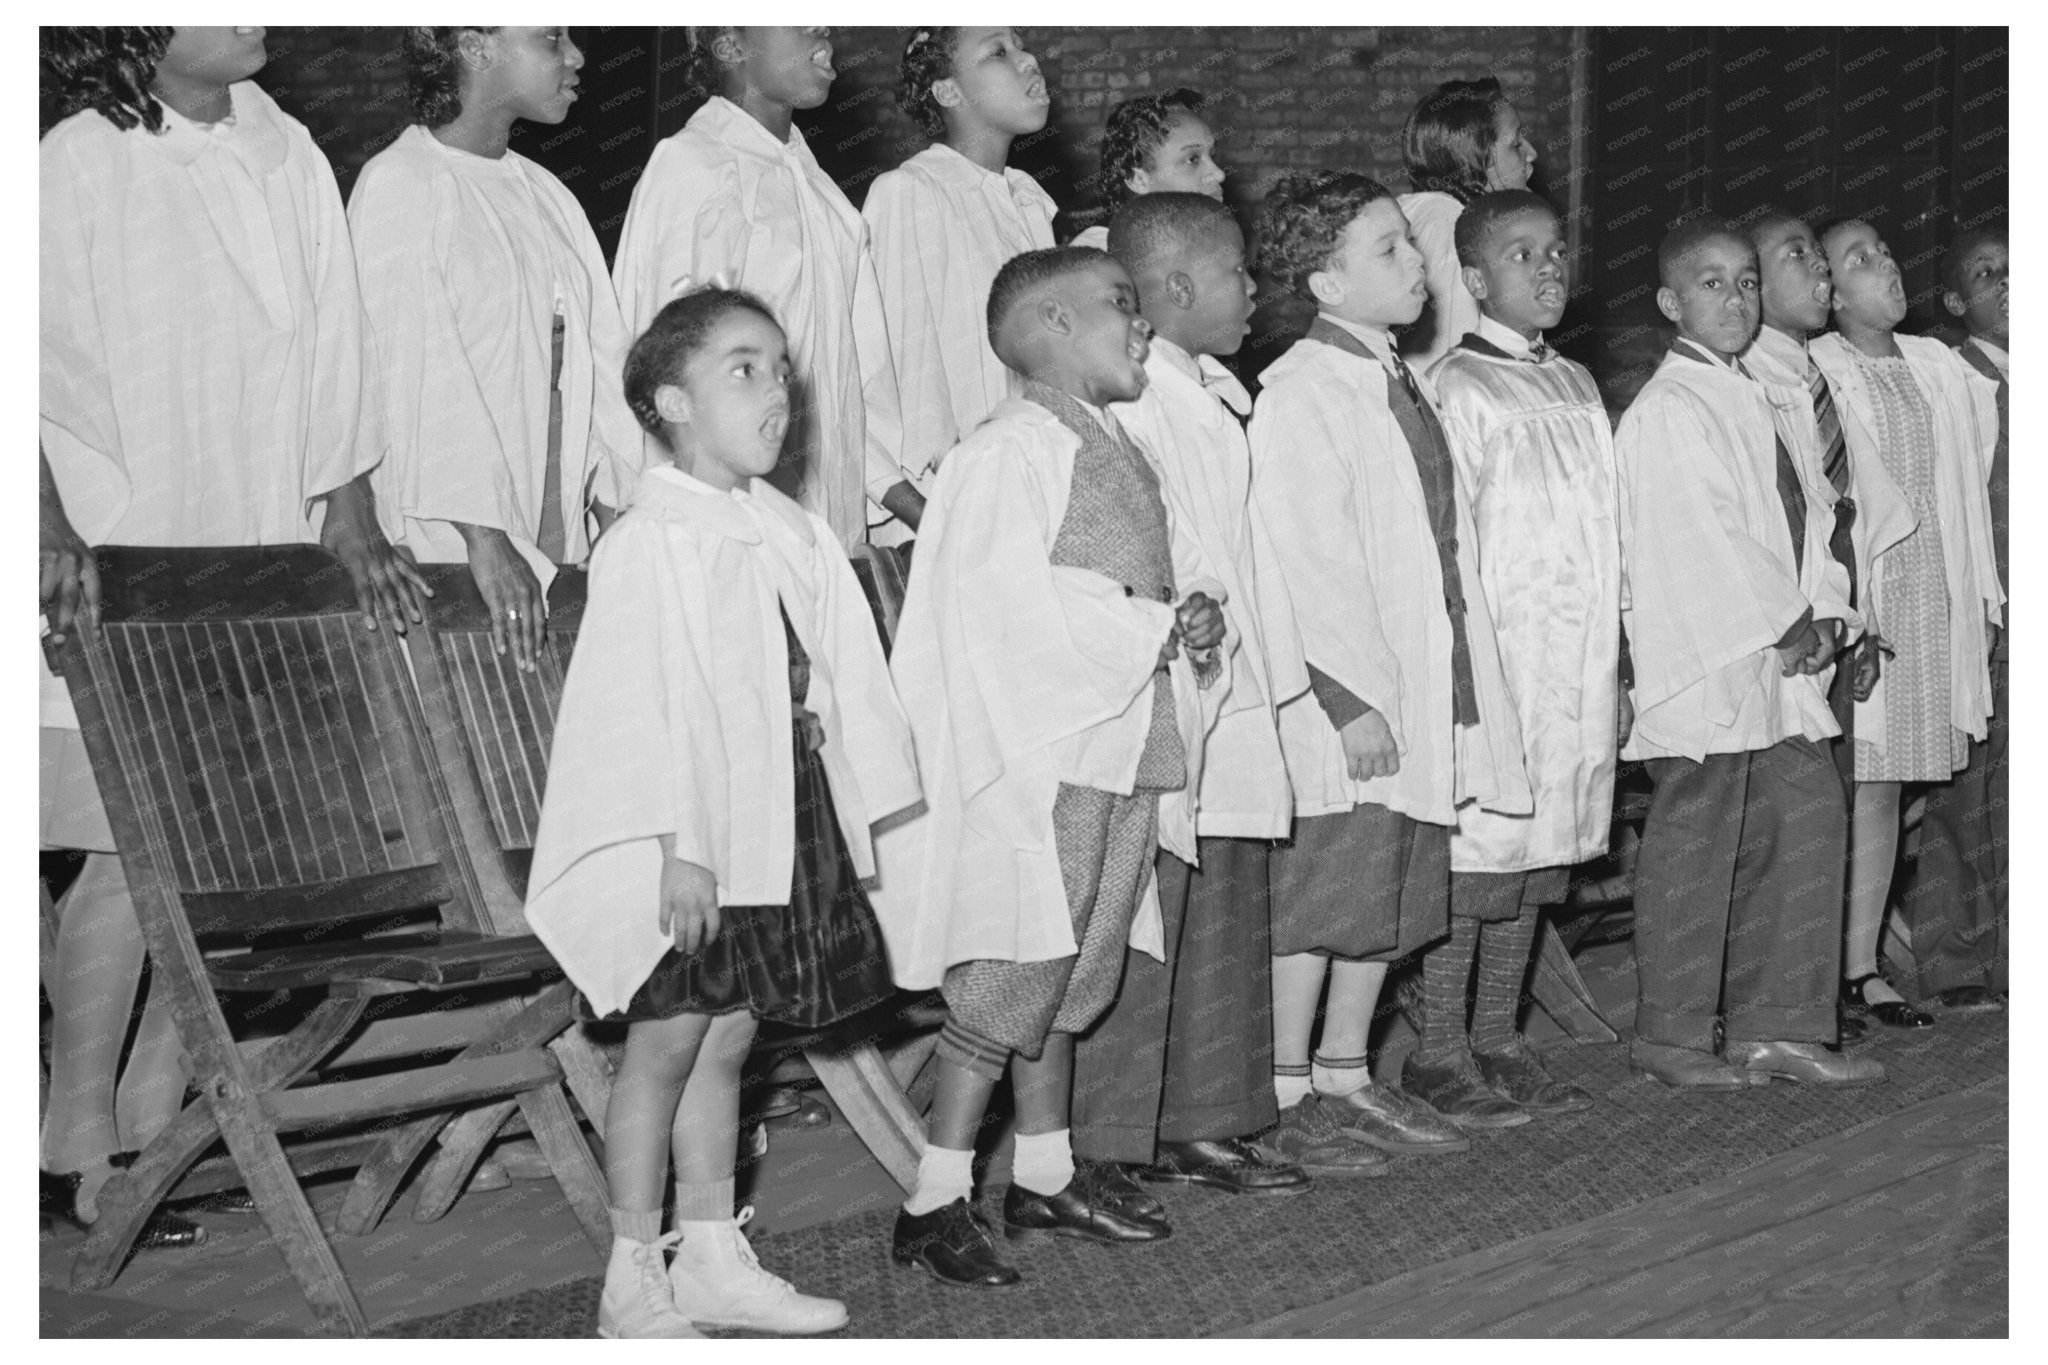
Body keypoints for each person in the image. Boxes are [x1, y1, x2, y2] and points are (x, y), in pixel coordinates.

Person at [39, 25, 424, 1248]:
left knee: (216, 842)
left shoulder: (289, 148)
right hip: (115, 545)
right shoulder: (74, 160)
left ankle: (159, 1124)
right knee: (120, 845)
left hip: (251, 539)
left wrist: (349, 509)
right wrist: (44, 522)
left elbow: (336, 348)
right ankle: (64, 1141)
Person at [523, 287, 920, 1338]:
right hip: (683, 837)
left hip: (773, 817)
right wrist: (676, 850)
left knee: (730, 1038)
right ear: (670, 403)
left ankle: (708, 1253)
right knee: (664, 1042)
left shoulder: (778, 527)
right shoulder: (654, 538)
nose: (775, 390)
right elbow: (630, 709)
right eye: (742, 368)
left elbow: (822, 672)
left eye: (781, 368)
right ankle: (628, 1276)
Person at [873, 247, 1228, 1286]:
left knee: (1078, 964)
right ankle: (931, 1197)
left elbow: (1143, 579)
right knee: (1016, 971)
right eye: (1119, 307)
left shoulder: (1113, 441)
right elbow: (1001, 602)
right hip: (1044, 751)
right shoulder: (1007, 450)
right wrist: (1144, 625)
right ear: (1047, 326)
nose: (1141, 326)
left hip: (1118, 739)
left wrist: (1189, 620)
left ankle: (1041, 1172)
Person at [1249, 171, 1531, 1166]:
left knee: (1384, 895)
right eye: (1386, 251)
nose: (1416, 264)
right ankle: (1283, 1094)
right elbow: (1301, 556)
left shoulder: (1386, 377)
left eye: (1409, 246)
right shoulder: (1300, 392)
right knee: (1324, 898)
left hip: (1412, 681)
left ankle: (1343, 1072)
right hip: (1350, 701)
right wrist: (1344, 696)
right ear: (1323, 282)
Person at [1068, 193, 1315, 1197]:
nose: (1255, 289)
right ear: (1172, 289)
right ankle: (1113, 1132)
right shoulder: (1137, 404)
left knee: (1220, 911)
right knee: (1149, 914)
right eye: (1234, 273)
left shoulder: (1211, 393)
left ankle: (1206, 1114)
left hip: (1236, 687)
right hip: (1173, 688)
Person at [1617, 216, 1882, 1089]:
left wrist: (1830, 611)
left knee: (1807, 814)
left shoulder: (1754, 395)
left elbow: (1810, 518)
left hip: (1780, 651)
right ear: (1669, 302)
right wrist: (1787, 621)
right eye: (1709, 284)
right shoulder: (1669, 408)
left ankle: (1778, 1022)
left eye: (1743, 281)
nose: (1732, 298)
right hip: (1714, 654)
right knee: (1699, 840)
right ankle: (1673, 1033)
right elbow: (1705, 539)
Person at [1405, 189, 1619, 1123]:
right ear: (1477, 277)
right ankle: (1439, 1049)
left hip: (1573, 657)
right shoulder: (1457, 386)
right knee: (1480, 856)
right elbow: (1448, 542)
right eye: (1522, 255)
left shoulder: (1575, 381)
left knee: (1539, 858)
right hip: (1501, 657)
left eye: (1557, 251)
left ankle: (1501, 1034)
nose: (1548, 269)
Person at [350, 26, 642, 671]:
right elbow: (415, 381)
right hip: (457, 538)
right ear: (474, 48)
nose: (575, 56)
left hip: (556, 512)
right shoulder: (403, 184)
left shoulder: (545, 191)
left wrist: (618, 509)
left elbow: (602, 361)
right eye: (550, 39)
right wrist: (486, 539)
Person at [1810, 219, 2003, 1031]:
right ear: (1828, 290)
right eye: (1860, 259)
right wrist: (1851, 610)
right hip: (1868, 606)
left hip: (1933, 601)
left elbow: (1972, 490)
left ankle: (1861, 969)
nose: (1885, 265)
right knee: (1840, 790)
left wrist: (1984, 601)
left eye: (1885, 251)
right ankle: (1811, 969)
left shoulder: (1932, 363)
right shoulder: (1820, 369)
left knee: (1887, 789)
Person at [611, 27, 905, 551]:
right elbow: (664, 363)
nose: (823, 26)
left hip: (824, 520)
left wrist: (900, 498)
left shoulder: (817, 188)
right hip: (725, 527)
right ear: (731, 46)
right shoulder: (694, 166)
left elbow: (855, 377)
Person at [1742, 206, 1900, 1048]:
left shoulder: (1811, 379)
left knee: (1828, 809)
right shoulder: (1752, 386)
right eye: (1797, 255)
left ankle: (1817, 985)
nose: (1821, 270)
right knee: (1785, 823)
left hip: (1833, 629)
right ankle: (1768, 1002)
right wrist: (1803, 620)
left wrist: (1862, 621)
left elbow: (1848, 513)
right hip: (1785, 636)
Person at [862, 26, 1057, 544]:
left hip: (1029, 501)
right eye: (998, 51)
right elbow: (878, 383)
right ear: (948, 90)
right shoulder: (910, 194)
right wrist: (936, 520)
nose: (1028, 59)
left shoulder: (1027, 203)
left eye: (1021, 44)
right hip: (949, 524)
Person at [1901, 228, 2008, 1011]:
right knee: (1964, 796)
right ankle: (1957, 958)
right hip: (1987, 615)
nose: (2009, 283)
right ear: (1953, 302)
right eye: (1987, 273)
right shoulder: (1953, 381)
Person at [1396, 76, 1540, 370]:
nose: (1531, 153)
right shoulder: (1447, 223)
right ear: (1475, 156)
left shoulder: (1430, 215)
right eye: (1515, 144)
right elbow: (1455, 364)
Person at [1070, 87, 1226, 251]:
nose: (1219, 174)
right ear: (1138, 180)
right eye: (1192, 159)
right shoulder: (1100, 258)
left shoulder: (1210, 244)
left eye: (1213, 156)